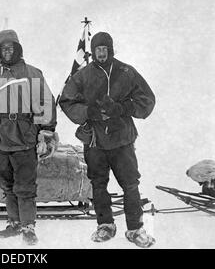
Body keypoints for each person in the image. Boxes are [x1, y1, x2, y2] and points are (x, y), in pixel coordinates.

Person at [59, 32, 156, 248]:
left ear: (111, 49)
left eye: (105, 49)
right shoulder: (83, 75)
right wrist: (89, 112)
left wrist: (123, 107)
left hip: (122, 139)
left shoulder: (126, 72)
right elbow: (66, 101)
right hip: (95, 140)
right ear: (92, 52)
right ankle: (105, 225)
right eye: (97, 49)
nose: (101, 53)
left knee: (130, 184)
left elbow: (147, 100)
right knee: (98, 184)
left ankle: (135, 229)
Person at [0, 29, 58, 245]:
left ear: (17, 48)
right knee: (7, 185)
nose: (7, 52)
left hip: (25, 137)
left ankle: (28, 226)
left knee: (25, 185)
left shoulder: (33, 74)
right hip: (0, 139)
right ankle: (14, 223)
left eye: (11, 47)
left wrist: (45, 133)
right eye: (3, 48)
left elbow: (47, 103)